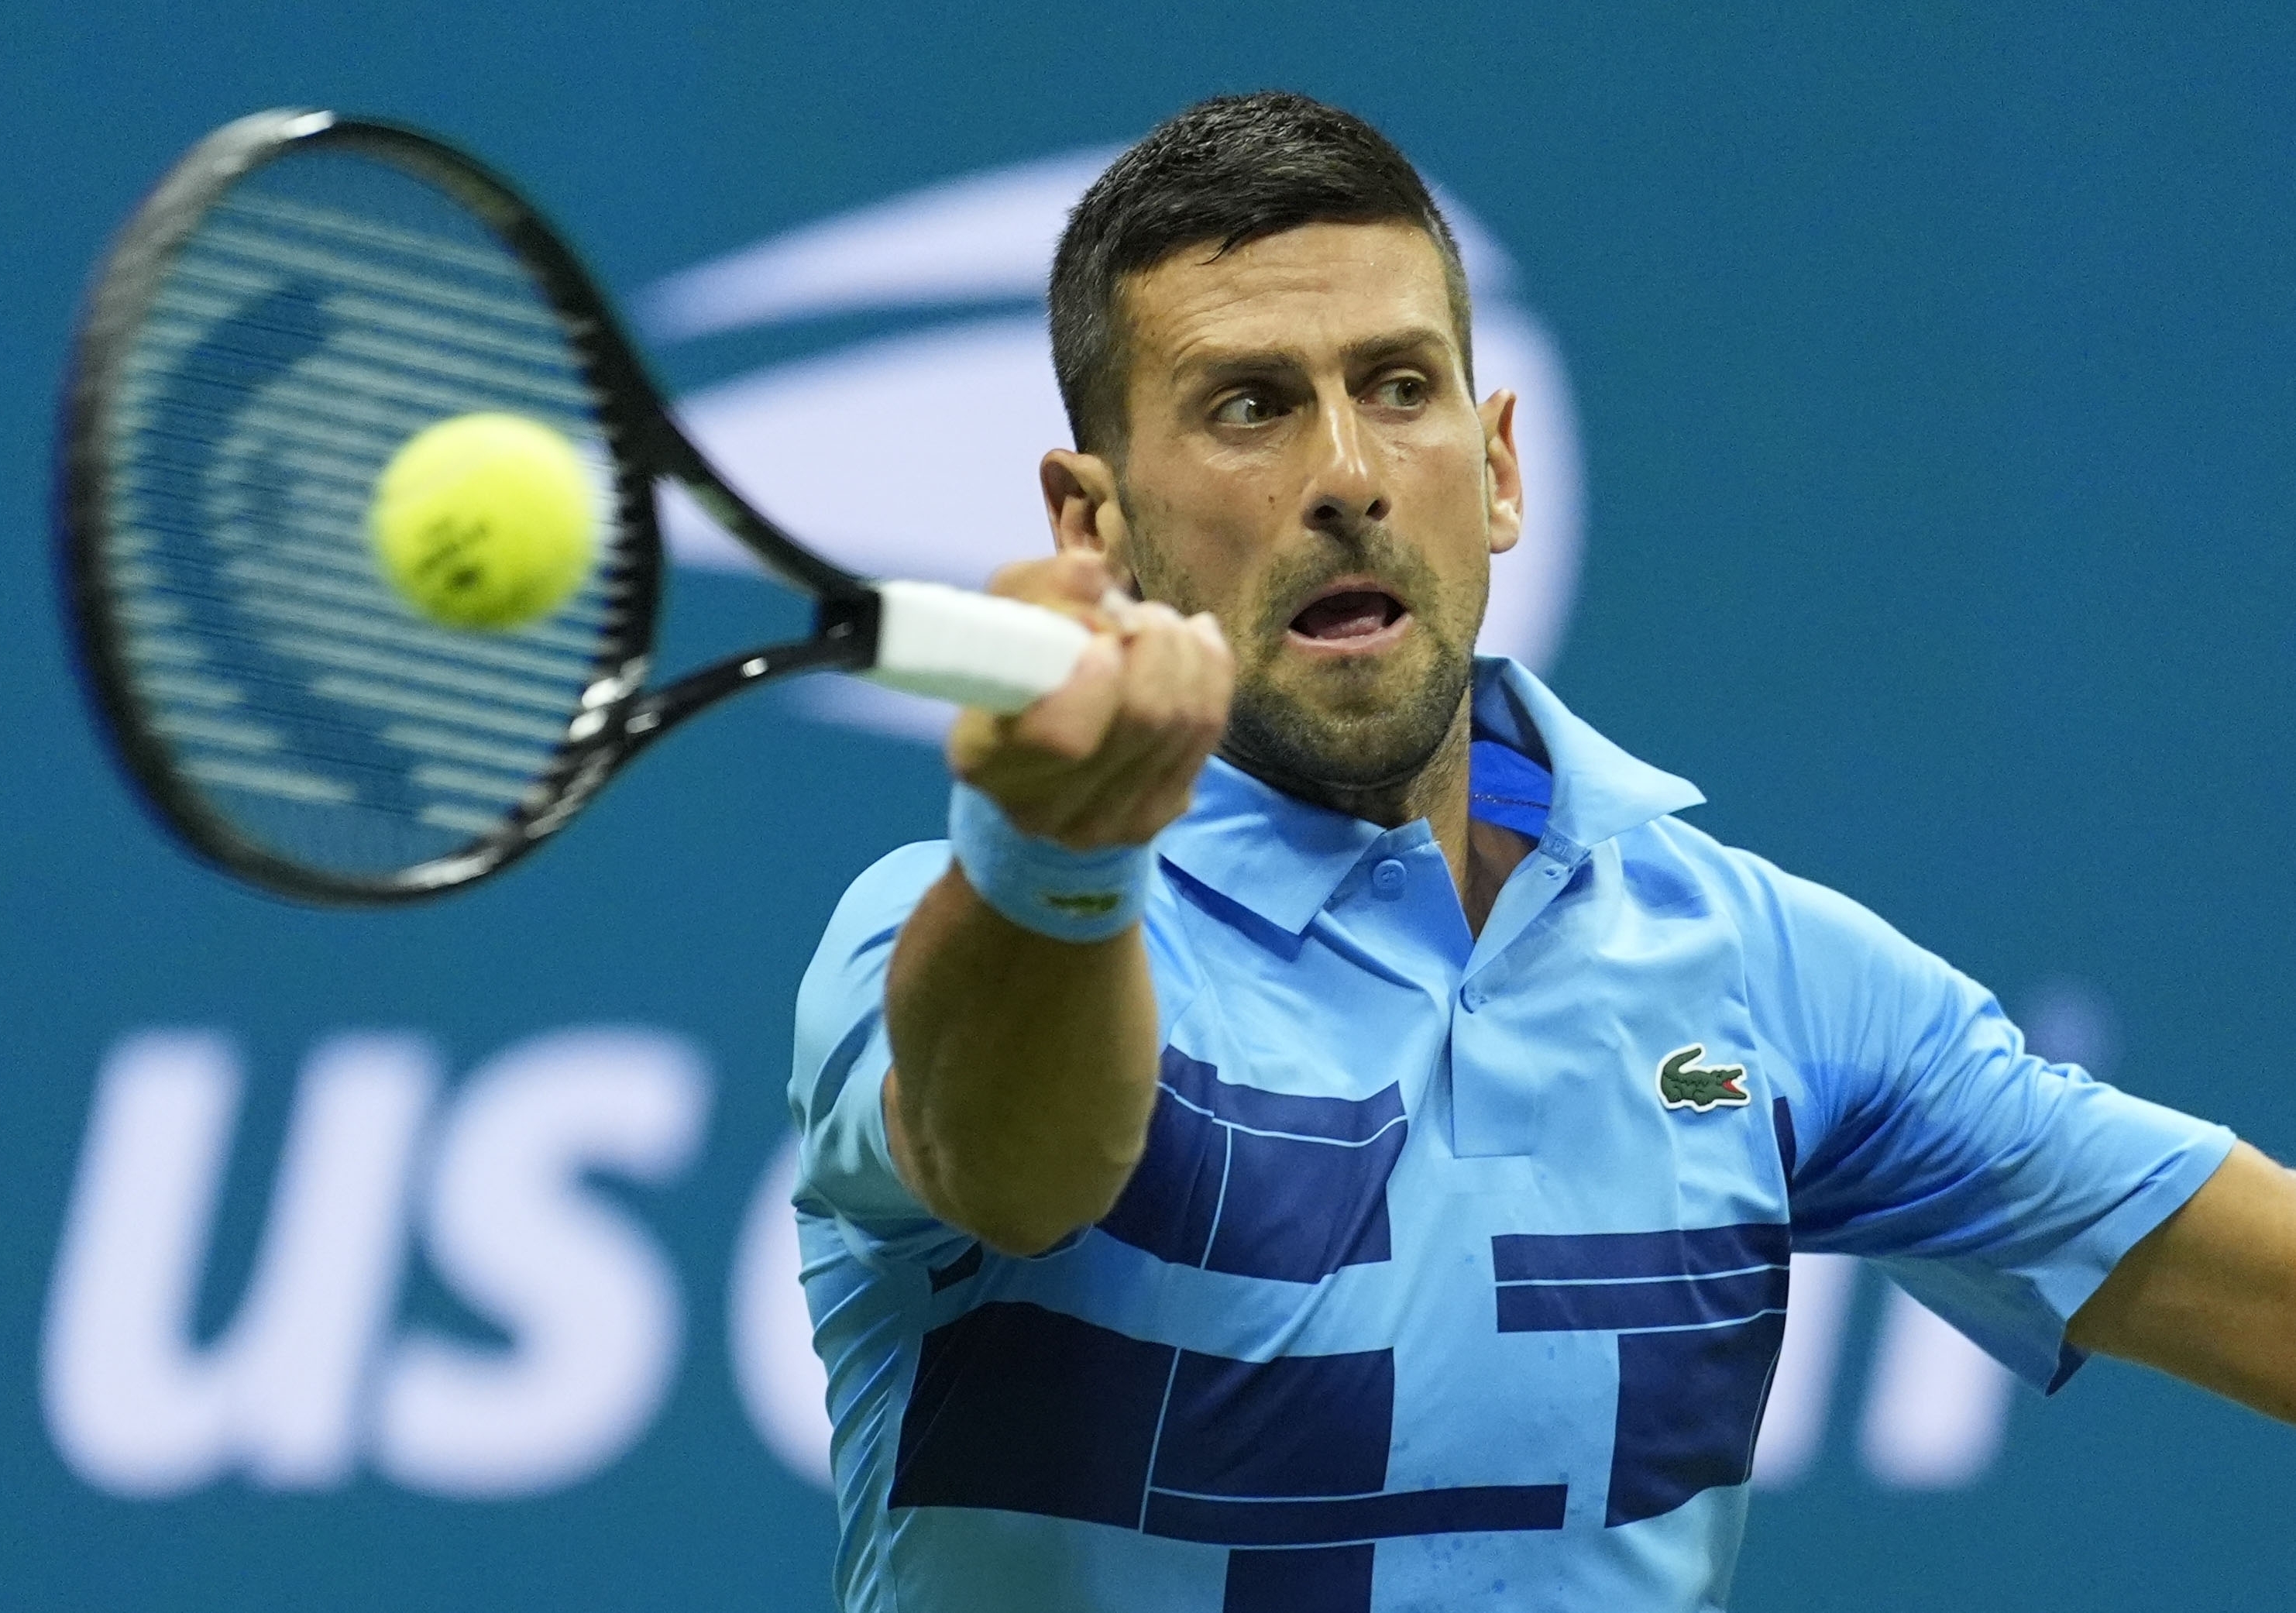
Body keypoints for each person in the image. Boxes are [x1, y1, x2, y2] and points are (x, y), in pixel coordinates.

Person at [786, 91, 2294, 1613]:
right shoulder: (958, 933)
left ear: (1497, 467)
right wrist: (1057, 853)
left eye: (1395, 387)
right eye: (1246, 406)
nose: (1346, 473)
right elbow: (1008, 1171)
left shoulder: (1770, 981)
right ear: (1089, 524)